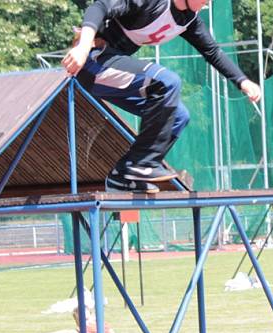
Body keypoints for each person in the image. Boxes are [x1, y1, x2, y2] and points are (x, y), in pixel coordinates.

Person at [62, 0, 262, 193]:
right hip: (92, 61)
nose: (207, 3)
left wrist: (242, 81)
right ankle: (143, 163)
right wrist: (82, 47)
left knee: (178, 115)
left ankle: (124, 174)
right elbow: (100, 6)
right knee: (167, 81)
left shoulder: (189, 20)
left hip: (113, 73)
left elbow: (213, 51)